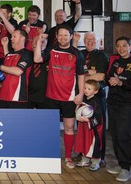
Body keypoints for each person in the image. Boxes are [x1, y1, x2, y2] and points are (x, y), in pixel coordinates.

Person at [34, 25, 86, 169]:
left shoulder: (77, 54)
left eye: (65, 35)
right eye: (60, 35)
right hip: (50, 97)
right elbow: (37, 59)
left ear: (70, 36)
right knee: (50, 128)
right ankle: (50, 155)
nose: (63, 38)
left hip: (69, 98)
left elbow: (81, 75)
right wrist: (39, 41)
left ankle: (68, 157)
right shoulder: (51, 50)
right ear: (56, 37)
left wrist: (80, 94)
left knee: (69, 128)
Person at [74, 32, 109, 166]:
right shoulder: (81, 53)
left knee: (97, 127)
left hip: (97, 97)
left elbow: (100, 77)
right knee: (82, 124)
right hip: (82, 94)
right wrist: (91, 73)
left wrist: (83, 76)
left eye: (93, 39)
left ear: (97, 41)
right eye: (87, 39)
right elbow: (75, 72)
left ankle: (100, 156)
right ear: (84, 40)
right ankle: (83, 153)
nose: (90, 41)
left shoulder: (101, 55)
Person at [106, 36, 131, 182]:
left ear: (130, 47)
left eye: (124, 46)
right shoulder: (113, 59)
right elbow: (107, 77)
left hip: (128, 104)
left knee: (123, 135)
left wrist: (121, 83)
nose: (121, 49)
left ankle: (127, 168)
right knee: (115, 134)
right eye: (118, 46)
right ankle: (121, 164)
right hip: (112, 102)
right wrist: (110, 80)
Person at [0, 30, 32, 108]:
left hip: (17, 98)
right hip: (3, 97)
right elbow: (4, 76)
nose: (11, 39)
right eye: (11, 37)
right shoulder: (9, 54)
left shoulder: (26, 54)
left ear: (22, 38)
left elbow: (18, 71)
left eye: (14, 36)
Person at [74, 80, 103, 172]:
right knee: (83, 142)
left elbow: (99, 117)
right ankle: (85, 160)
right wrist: (78, 116)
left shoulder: (96, 102)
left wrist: (89, 120)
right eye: (85, 88)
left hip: (93, 129)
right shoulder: (84, 99)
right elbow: (78, 110)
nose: (86, 90)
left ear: (95, 91)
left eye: (89, 89)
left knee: (93, 145)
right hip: (83, 127)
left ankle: (95, 162)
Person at [28, 36, 49, 109]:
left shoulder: (50, 56)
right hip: (29, 96)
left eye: (37, 42)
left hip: (45, 97)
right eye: (33, 41)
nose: (34, 44)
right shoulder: (27, 56)